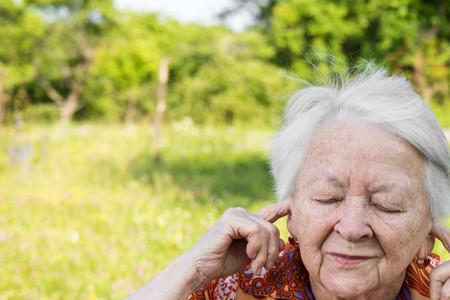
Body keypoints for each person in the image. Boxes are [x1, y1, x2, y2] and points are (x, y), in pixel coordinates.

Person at [128, 69, 450, 300]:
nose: (352, 229)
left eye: (386, 204)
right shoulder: (241, 289)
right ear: (291, 215)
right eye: (327, 198)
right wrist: (193, 269)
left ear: (427, 233)